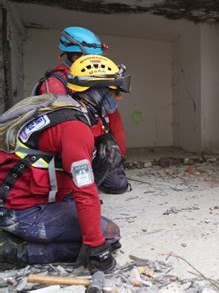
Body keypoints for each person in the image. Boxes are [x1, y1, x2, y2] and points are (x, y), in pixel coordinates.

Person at [0, 54, 131, 272]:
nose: (119, 98)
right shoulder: (74, 126)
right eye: (114, 91)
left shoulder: (62, 106)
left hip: (15, 196)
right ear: (96, 91)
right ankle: (13, 250)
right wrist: (96, 247)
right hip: (18, 210)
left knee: (91, 219)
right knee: (109, 235)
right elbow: (84, 187)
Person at [31, 26, 129, 195]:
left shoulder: (93, 78)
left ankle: (91, 176)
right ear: (75, 56)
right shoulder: (56, 84)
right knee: (77, 190)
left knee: (118, 185)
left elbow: (113, 118)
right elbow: (59, 129)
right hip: (69, 148)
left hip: (95, 144)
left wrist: (118, 155)